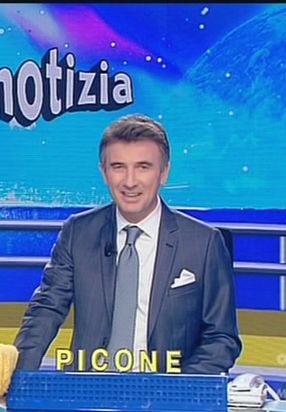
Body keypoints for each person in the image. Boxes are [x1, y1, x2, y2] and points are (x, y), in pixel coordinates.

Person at [14, 114, 242, 374]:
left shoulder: (203, 243)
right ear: (104, 172)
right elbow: (47, 309)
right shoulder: (78, 233)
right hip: (89, 391)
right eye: (118, 167)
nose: (130, 182)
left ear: (164, 172)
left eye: (143, 167)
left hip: (166, 391)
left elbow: (222, 338)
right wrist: (19, 378)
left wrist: (177, 389)